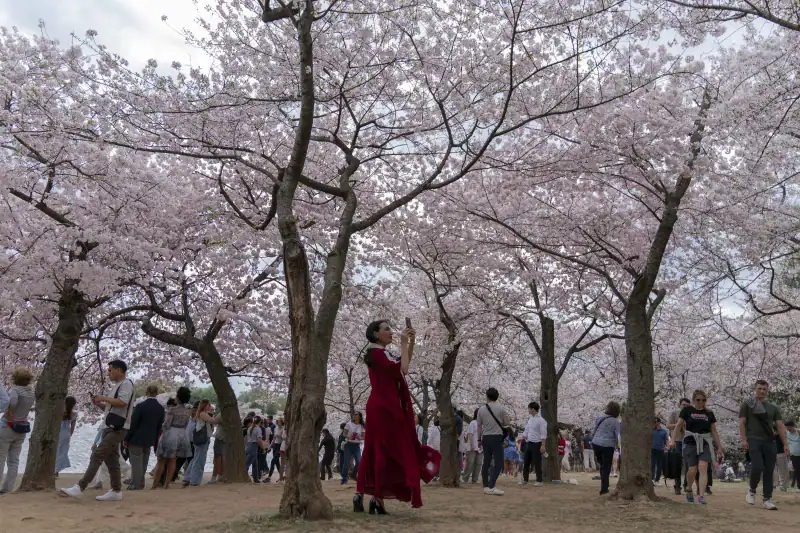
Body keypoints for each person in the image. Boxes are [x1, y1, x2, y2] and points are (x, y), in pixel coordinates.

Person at [354, 320, 441, 513]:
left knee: (376, 450)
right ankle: (373, 496)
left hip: (384, 406)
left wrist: (410, 342)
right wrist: (403, 344)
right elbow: (401, 369)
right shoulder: (376, 354)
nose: (391, 332)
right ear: (376, 334)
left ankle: (365, 495)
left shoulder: (381, 354)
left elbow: (404, 366)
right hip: (385, 408)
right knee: (389, 449)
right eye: (387, 329)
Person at [61, 360, 135, 501]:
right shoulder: (117, 386)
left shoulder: (126, 384)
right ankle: (116, 490)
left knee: (97, 454)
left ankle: (80, 487)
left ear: (119, 370)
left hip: (118, 428)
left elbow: (123, 402)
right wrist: (100, 404)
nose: (108, 373)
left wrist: (104, 398)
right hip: (109, 426)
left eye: (110, 370)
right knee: (112, 461)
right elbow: (112, 409)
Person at [740, 379, 789, 510]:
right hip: (753, 439)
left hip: (769, 441)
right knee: (757, 466)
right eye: (759, 388)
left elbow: (779, 426)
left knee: (769, 470)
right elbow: (742, 422)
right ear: (755, 389)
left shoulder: (773, 408)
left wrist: (785, 444)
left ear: (767, 390)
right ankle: (752, 490)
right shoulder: (748, 404)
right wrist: (744, 439)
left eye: (764, 389)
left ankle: (767, 499)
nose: (762, 391)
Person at [670, 389, 724, 505]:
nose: (701, 402)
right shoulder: (687, 410)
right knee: (692, 469)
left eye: (703, 400)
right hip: (690, 442)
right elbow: (679, 425)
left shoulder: (709, 413)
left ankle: (701, 495)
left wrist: (719, 447)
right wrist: (672, 440)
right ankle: (689, 488)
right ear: (694, 400)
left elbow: (714, 431)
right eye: (698, 400)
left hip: (705, 442)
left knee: (703, 467)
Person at [0, 367, 35, 493]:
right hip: (21, 428)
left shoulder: (14, 390)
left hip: (8, 426)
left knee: (1, 457)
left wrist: (8, 411)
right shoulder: (31, 392)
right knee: (14, 460)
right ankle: (8, 488)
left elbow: (12, 403)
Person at [151, 386, 193, 489]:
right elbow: (186, 424)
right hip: (182, 434)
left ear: (178, 397)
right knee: (173, 460)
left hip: (171, 434)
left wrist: (163, 432)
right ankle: (167, 484)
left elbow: (166, 424)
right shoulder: (188, 411)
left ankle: (155, 485)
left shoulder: (172, 410)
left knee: (161, 461)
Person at [124, 384, 165, 490]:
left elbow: (133, 424)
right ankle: (140, 483)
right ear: (157, 393)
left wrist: (127, 438)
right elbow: (160, 426)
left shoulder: (140, 406)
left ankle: (136, 484)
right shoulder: (161, 409)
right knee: (144, 462)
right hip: (150, 438)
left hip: (137, 438)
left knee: (136, 462)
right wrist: (155, 438)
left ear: (146, 392)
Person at [477, 387, 510, 496]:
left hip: (485, 437)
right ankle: (491, 486)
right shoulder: (501, 408)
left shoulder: (481, 409)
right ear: (497, 396)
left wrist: (478, 439)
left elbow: (479, 427)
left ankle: (486, 486)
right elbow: (506, 422)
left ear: (487, 396)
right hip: (496, 437)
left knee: (486, 461)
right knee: (499, 462)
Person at [592, 401, 621, 495]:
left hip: (596, 443)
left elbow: (595, 429)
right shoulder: (616, 422)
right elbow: (618, 436)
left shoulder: (599, 417)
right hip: (608, 445)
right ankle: (604, 488)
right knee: (606, 466)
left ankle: (604, 486)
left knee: (602, 465)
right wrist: (619, 446)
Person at [186, 399, 216, 487]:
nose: (210, 407)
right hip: (202, 439)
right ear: (204, 405)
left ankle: (189, 477)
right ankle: (195, 480)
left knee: (196, 458)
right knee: (200, 460)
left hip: (201, 439)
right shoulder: (203, 414)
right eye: (208, 405)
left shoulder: (201, 414)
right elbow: (213, 421)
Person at [667, 398, 691, 495]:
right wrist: (679, 424)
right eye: (683, 405)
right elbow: (668, 425)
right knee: (677, 463)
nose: (685, 407)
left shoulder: (691, 415)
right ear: (679, 405)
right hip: (677, 441)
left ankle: (686, 485)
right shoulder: (674, 414)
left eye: (687, 405)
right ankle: (677, 486)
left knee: (688, 464)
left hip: (689, 441)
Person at [520, 401, 547, 486]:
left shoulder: (541, 420)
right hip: (529, 443)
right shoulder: (531, 419)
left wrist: (543, 445)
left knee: (537, 462)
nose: (528, 410)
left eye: (529, 408)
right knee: (526, 461)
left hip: (537, 443)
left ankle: (539, 480)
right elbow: (527, 430)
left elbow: (543, 433)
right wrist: (522, 437)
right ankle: (525, 479)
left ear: (532, 409)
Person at [55, 396, 78, 477]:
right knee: (62, 453)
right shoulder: (74, 414)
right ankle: (56, 471)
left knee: (56, 452)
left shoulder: (60, 412)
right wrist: (69, 435)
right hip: (66, 434)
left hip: (58, 433)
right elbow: (72, 427)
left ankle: (54, 470)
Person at [341, 411, 364, 485]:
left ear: (360, 417)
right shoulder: (349, 424)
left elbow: (364, 437)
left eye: (356, 414)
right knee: (346, 463)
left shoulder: (362, 426)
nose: (354, 415)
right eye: (354, 414)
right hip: (349, 445)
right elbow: (344, 433)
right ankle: (344, 480)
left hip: (357, 446)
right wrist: (349, 437)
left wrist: (359, 437)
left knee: (359, 462)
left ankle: (353, 475)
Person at [245, 416, 267, 483]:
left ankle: (256, 478)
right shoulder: (258, 429)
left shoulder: (250, 428)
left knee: (255, 463)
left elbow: (247, 438)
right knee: (247, 464)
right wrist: (263, 448)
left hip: (248, 445)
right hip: (254, 446)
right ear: (260, 422)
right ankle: (244, 477)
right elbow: (259, 440)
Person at [462, 408, 482, 484]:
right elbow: (470, 434)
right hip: (472, 447)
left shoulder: (483, 424)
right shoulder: (473, 423)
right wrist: (472, 445)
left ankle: (475, 479)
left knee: (479, 463)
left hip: (480, 447)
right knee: (470, 463)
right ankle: (465, 478)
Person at [652, 417, 669, 486]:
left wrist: (667, 447)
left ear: (658, 422)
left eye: (655, 422)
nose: (654, 423)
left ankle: (657, 480)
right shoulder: (651, 430)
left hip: (661, 450)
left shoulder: (664, 431)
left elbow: (667, 441)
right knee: (652, 465)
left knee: (659, 466)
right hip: (652, 450)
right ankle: (652, 479)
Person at [210, 408, 226, 484]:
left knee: (217, 456)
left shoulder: (223, 413)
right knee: (223, 456)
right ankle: (221, 475)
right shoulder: (233, 414)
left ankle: (214, 477)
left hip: (220, 436)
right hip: (226, 438)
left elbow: (214, 421)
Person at [786, 421, 800, 490]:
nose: (788, 429)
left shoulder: (798, 432)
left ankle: (796, 484)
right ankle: (798, 485)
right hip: (793, 455)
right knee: (797, 470)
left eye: (789, 428)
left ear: (793, 426)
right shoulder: (787, 434)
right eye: (787, 428)